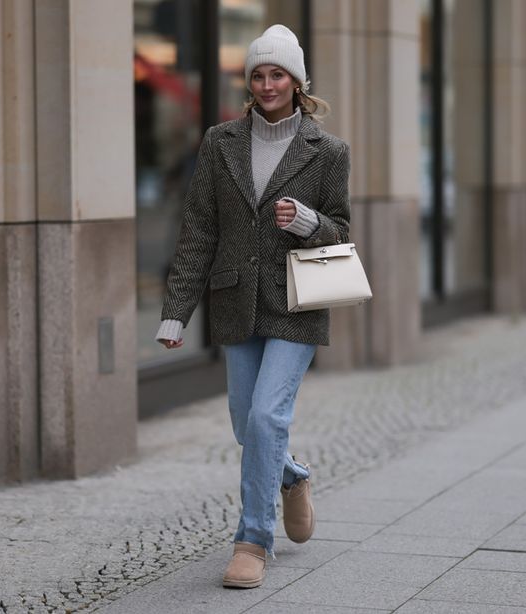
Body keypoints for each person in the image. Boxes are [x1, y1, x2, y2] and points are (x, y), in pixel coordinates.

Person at [155, 24, 351, 589]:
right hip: (236, 299)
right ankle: (292, 478)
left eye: (278, 74)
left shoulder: (328, 151)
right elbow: (199, 228)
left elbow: (341, 231)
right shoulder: (220, 142)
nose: (267, 84)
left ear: (296, 82)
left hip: (296, 302)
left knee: (268, 417)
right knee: (248, 424)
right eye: (259, 75)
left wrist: (309, 221)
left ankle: (252, 541)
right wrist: (176, 312)